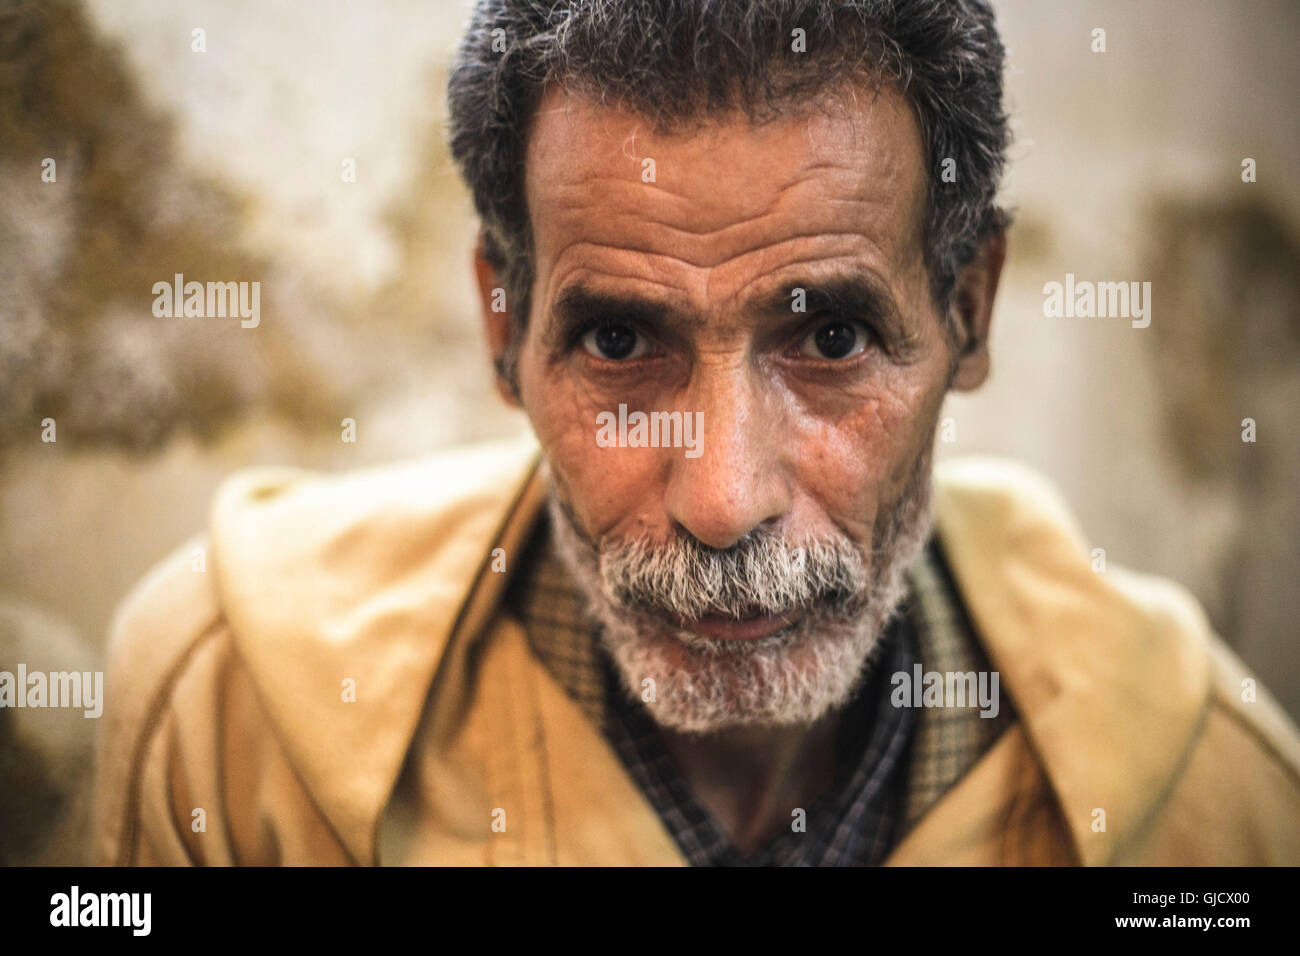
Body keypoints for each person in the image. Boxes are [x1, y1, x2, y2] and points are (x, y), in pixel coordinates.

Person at [93, 0, 1300, 866]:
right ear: (502, 326)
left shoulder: (1217, 805)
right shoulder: (230, 723)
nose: (723, 498)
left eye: (828, 339)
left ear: (969, 309)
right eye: (620, 343)